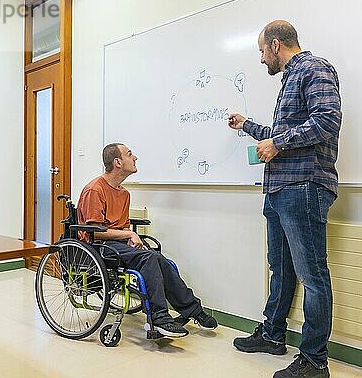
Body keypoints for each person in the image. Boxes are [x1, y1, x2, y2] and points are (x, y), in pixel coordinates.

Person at [228, 20, 341, 378]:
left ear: (275, 45)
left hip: (303, 187)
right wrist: (248, 125)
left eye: (262, 51)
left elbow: (328, 121)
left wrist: (278, 143)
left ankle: (314, 361)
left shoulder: (314, 68)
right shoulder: (288, 80)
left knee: (312, 275)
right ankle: (273, 335)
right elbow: (280, 135)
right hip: (279, 190)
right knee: (280, 267)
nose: (262, 60)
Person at [77, 143, 218, 338]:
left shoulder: (124, 193)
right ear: (117, 162)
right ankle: (159, 318)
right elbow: (95, 231)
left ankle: (192, 310)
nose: (135, 158)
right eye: (129, 154)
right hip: (97, 246)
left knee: (158, 258)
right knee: (148, 259)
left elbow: (122, 225)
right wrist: (128, 235)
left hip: (116, 244)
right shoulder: (95, 189)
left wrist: (130, 239)